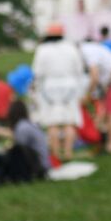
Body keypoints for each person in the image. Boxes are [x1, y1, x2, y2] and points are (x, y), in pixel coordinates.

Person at [31, 23, 87, 160]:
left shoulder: (42, 49)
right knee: (69, 121)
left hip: (49, 87)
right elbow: (79, 69)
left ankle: (55, 154)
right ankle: (68, 152)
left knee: (52, 122)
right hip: (70, 86)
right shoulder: (71, 48)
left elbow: (37, 72)